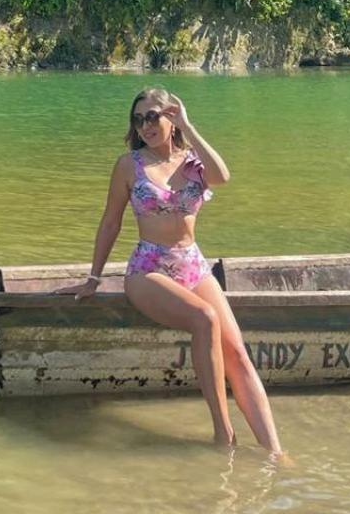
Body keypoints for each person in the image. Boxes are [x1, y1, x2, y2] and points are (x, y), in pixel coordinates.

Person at [64, 86, 282, 454]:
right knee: (205, 318)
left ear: (171, 116)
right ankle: (223, 434)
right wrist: (94, 277)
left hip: (192, 264)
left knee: (238, 355)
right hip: (149, 268)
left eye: (152, 116)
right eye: (138, 119)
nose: (144, 125)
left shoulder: (193, 162)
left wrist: (190, 127)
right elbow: (110, 223)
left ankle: (275, 451)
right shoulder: (129, 165)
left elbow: (223, 177)